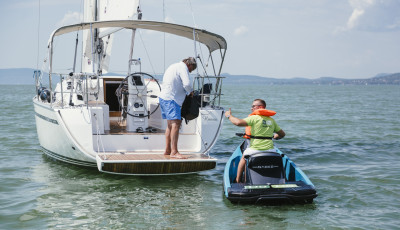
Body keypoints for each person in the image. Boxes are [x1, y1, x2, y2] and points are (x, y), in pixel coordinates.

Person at [225, 99, 286, 183]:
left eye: (253, 106)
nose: (251, 108)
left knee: (243, 157)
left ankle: (238, 180)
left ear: (260, 107)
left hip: (255, 150)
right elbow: (282, 134)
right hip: (271, 150)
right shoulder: (271, 120)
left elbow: (238, 123)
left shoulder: (254, 118)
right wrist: (276, 136)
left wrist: (229, 116)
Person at [159, 57, 197, 159]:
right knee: (176, 124)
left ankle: (168, 150)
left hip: (163, 98)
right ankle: (174, 152)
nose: (190, 71)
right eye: (191, 69)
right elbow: (187, 84)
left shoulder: (173, 66)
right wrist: (190, 92)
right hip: (172, 99)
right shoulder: (183, 68)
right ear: (189, 65)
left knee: (170, 125)